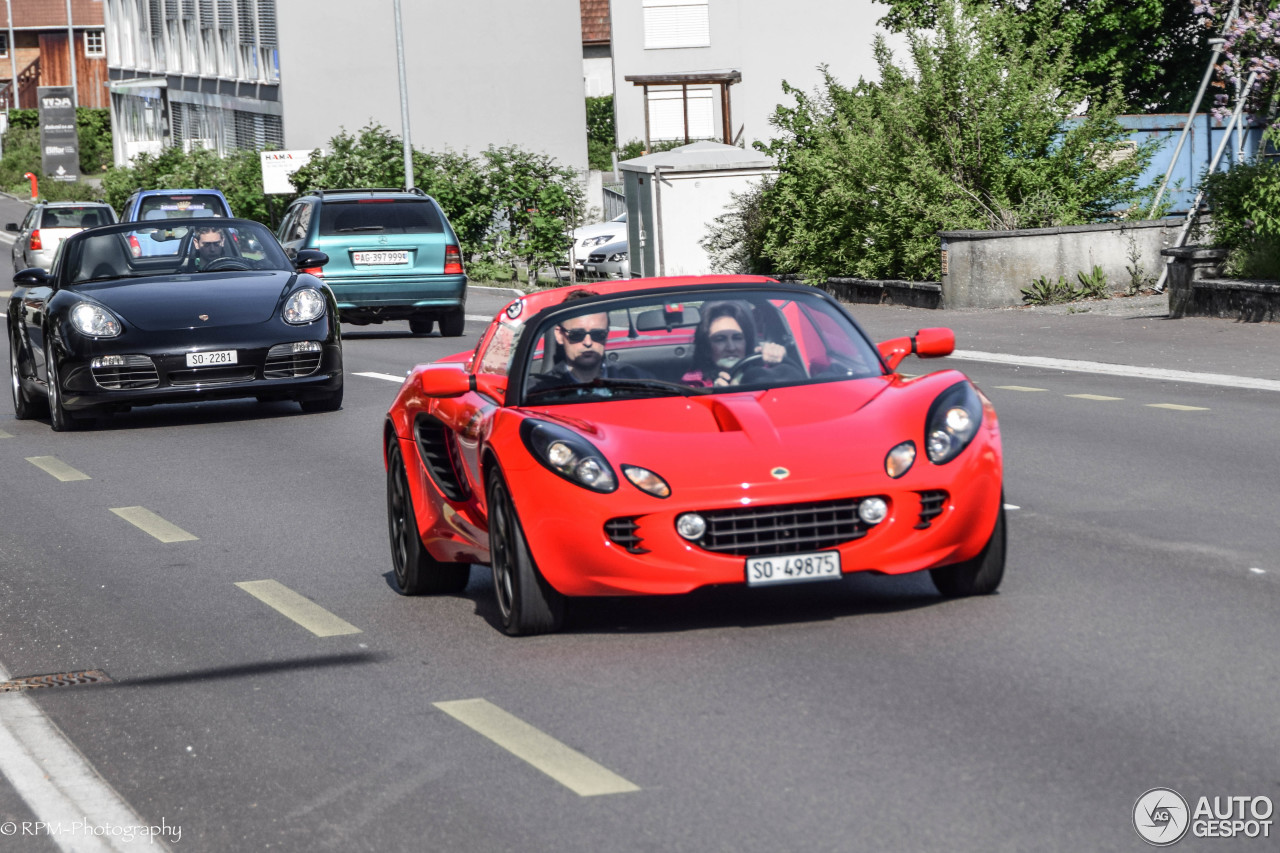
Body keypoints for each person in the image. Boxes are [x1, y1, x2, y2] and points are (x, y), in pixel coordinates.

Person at [528, 291, 650, 392]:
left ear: (607, 334)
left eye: (598, 334)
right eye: (577, 335)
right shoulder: (539, 391)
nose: (588, 342)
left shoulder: (636, 381)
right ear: (559, 335)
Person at [683, 300, 792, 387]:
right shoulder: (693, 385)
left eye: (737, 338)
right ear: (706, 346)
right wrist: (712, 394)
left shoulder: (767, 370)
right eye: (720, 339)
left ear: (747, 341)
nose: (731, 347)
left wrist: (782, 361)